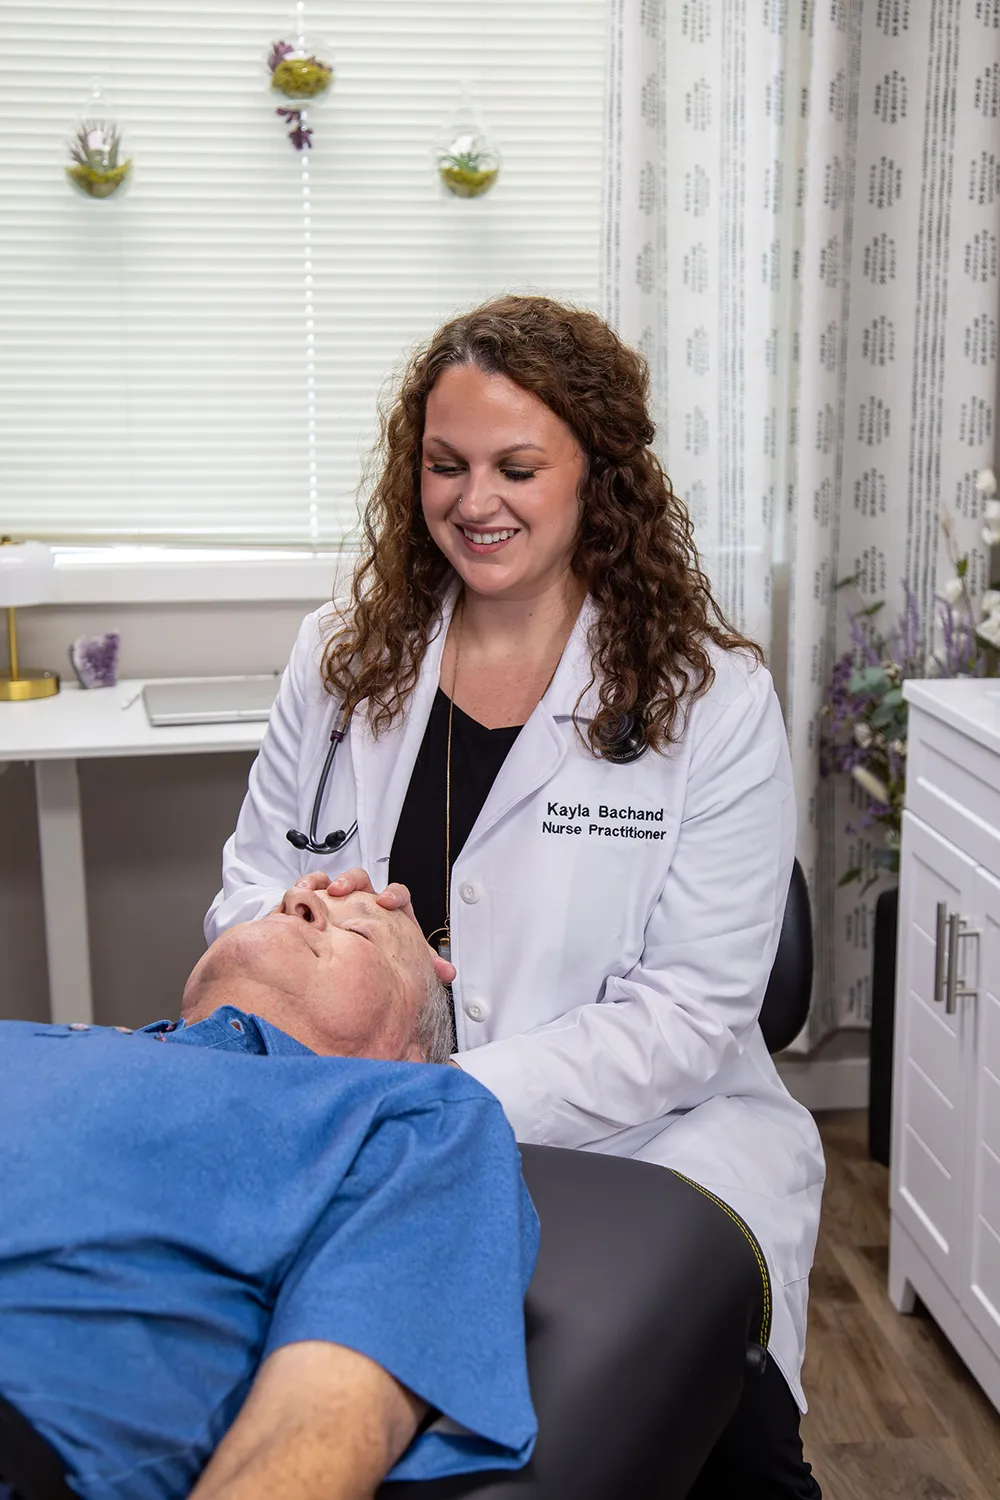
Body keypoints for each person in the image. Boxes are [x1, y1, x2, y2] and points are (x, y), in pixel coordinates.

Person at [208, 294, 827, 1497]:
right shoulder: (343, 656)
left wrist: (436, 1100)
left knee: (725, 1446)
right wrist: (307, 1011)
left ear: (597, 474)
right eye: (445, 464)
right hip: (354, 1122)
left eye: (516, 465)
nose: (472, 500)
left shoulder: (711, 698)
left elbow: (692, 1020)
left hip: (648, 1144)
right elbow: (250, 882)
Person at [0, 882, 538, 1500]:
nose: (299, 898)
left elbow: (307, 1446)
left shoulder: (419, 1118)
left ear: (408, 1055)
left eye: (358, 929)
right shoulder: (58, 1041)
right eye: (290, 903)